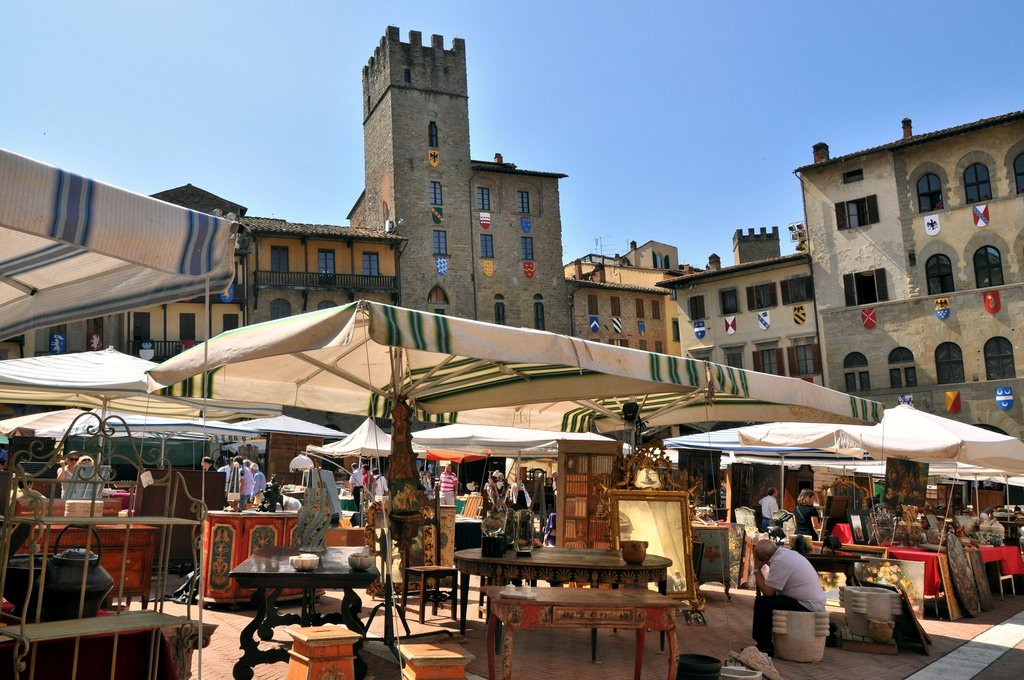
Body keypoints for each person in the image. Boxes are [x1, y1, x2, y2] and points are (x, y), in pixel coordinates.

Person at [751, 539, 826, 657]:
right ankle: (766, 640)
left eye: (763, 560)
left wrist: (756, 570)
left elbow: (767, 592)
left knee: (763, 602)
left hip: (807, 605)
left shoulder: (780, 561)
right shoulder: (786, 554)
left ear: (768, 556)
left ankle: (764, 646)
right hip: (811, 601)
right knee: (770, 601)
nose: (765, 563)